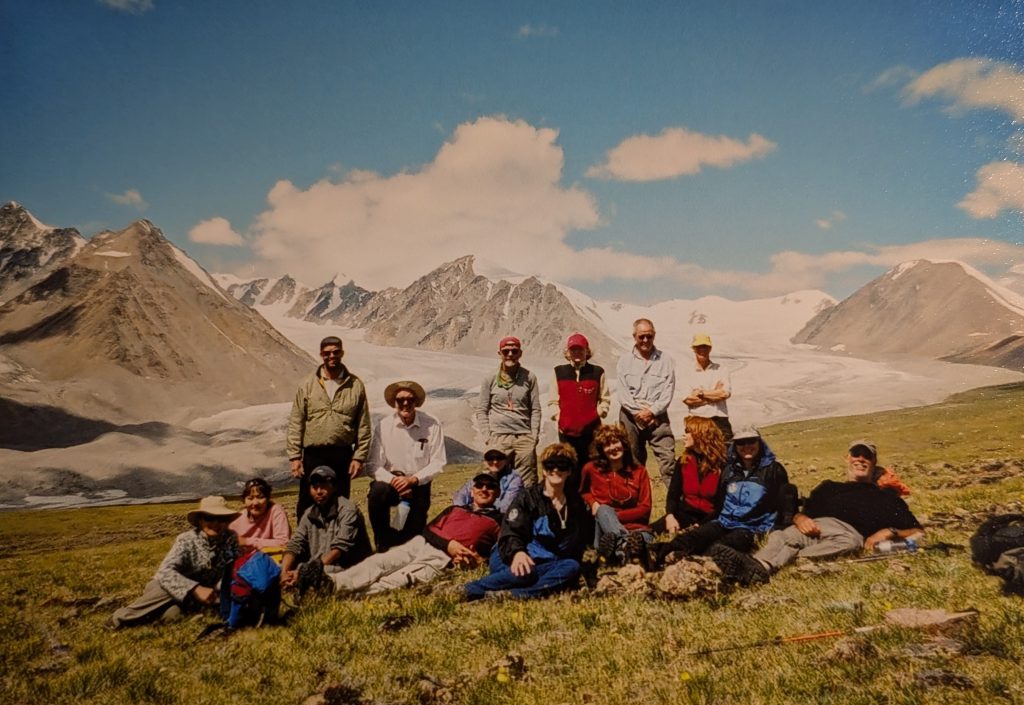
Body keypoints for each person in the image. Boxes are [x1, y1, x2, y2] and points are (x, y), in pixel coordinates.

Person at [710, 440, 924, 585]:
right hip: (814, 527)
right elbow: (803, 512)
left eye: (866, 456)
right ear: (847, 458)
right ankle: (758, 566)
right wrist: (800, 518)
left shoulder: (886, 497)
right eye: (855, 454)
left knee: (849, 542)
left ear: (874, 462)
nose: (860, 459)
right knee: (784, 536)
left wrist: (890, 531)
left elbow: (917, 532)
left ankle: (772, 564)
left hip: (847, 534)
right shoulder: (828, 486)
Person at [330, 473, 502, 595]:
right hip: (420, 544)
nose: (484, 489)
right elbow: (427, 530)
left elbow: (500, 552)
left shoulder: (498, 521)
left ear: (498, 493)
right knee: (379, 562)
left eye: (490, 487)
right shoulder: (454, 509)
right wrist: (449, 544)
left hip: (443, 559)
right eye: (479, 485)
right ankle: (331, 583)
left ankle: (346, 594)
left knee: (399, 579)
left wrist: (480, 561)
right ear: (472, 491)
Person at [653, 425, 795, 564]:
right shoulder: (729, 470)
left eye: (751, 441)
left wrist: (780, 529)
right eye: (741, 442)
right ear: (735, 445)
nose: (746, 446)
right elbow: (720, 504)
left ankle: (700, 564)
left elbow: (785, 502)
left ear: (760, 443)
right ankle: (655, 553)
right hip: (724, 522)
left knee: (720, 548)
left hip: (751, 528)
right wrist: (701, 524)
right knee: (691, 537)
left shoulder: (774, 470)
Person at [464, 443, 590, 600]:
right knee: (525, 573)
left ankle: (514, 594)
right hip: (511, 553)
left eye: (562, 465)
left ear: (570, 470)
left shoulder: (576, 504)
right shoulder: (527, 498)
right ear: (544, 470)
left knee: (571, 567)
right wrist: (518, 553)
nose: (556, 470)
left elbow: (579, 541)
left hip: (547, 561)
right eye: (550, 465)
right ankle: (468, 590)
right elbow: (510, 530)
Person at [108, 496, 239, 628]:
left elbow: (232, 569)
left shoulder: (231, 539)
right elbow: (165, 572)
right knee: (164, 592)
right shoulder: (187, 540)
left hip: (202, 595)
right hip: (167, 588)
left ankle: (155, 616)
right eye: (209, 518)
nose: (216, 523)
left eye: (221, 519)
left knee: (172, 615)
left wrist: (217, 590)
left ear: (228, 521)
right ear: (200, 520)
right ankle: (119, 618)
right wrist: (195, 589)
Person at [286, 335, 371, 520]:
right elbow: (296, 421)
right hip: (313, 454)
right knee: (307, 502)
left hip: (342, 454)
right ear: (321, 354)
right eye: (327, 353)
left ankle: (338, 537)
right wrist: (295, 456)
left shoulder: (355, 385)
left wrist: (359, 457)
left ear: (342, 353)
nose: (332, 356)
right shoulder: (307, 384)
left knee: (340, 503)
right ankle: (305, 537)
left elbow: (363, 424)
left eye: (335, 352)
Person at [365, 380, 446, 553]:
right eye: (400, 400)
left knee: (411, 540)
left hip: (419, 483)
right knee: (377, 493)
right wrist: (396, 482)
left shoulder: (432, 424)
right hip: (390, 483)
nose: (405, 403)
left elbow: (438, 461)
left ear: (416, 402)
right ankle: (382, 543)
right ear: (394, 403)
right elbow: (372, 465)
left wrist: (413, 480)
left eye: (410, 399)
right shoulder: (384, 426)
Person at [279, 466, 372, 593]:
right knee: (278, 570)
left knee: (314, 575)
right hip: (319, 566)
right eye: (315, 487)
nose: (319, 491)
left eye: (323, 486)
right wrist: (284, 572)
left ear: (334, 487)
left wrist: (307, 571)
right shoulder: (309, 513)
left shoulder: (347, 510)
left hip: (348, 567)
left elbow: (339, 549)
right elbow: (295, 544)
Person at [579, 424, 653, 565]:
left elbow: (645, 508)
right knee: (603, 509)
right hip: (605, 533)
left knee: (638, 540)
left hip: (637, 530)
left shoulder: (639, 471)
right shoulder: (590, 469)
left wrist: (613, 517)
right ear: (601, 450)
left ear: (624, 444)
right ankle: (626, 548)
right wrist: (592, 502)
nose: (613, 447)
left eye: (615, 442)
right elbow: (583, 492)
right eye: (607, 445)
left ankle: (619, 552)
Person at [616, 319, 676, 489]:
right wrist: (639, 413)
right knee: (632, 462)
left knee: (668, 461)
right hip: (630, 416)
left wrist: (651, 412)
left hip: (658, 416)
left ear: (654, 335)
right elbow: (623, 393)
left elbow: (668, 390)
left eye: (649, 336)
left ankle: (675, 502)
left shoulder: (665, 360)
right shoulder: (624, 361)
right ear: (634, 336)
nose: (645, 340)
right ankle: (637, 500)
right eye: (641, 336)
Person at [475, 336, 541, 487]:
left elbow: (535, 409)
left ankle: (525, 503)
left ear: (520, 353)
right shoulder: (490, 378)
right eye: (506, 351)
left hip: (524, 438)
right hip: (498, 438)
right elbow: (482, 409)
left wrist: (534, 436)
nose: (510, 354)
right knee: (491, 481)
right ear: (500, 353)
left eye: (514, 351)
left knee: (527, 483)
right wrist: (488, 437)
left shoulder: (529, 377)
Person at [650, 416, 726, 534]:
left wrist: (697, 526)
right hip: (685, 513)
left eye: (688, 432)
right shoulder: (684, 461)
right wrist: (670, 516)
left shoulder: (721, 465)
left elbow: (722, 506)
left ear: (700, 435)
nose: (684, 436)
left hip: (710, 518)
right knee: (651, 530)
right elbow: (673, 495)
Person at [549, 333, 610, 473]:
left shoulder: (597, 372)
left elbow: (605, 399)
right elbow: (552, 401)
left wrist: (597, 413)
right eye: (573, 349)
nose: (576, 352)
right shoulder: (558, 372)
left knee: (592, 469)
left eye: (580, 349)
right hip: (566, 433)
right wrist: (560, 418)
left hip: (592, 433)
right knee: (569, 469)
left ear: (587, 351)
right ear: (568, 352)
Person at [679, 333, 732, 442]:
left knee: (725, 450)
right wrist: (714, 393)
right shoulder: (686, 372)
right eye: (698, 347)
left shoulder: (721, 369)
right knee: (697, 451)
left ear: (710, 348)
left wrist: (701, 393)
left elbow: (724, 394)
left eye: (705, 346)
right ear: (693, 349)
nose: (702, 350)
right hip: (696, 421)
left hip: (719, 419)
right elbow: (688, 400)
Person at [452, 448, 524, 514]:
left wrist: (490, 514)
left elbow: (507, 504)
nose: (495, 462)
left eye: (499, 458)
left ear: (505, 461)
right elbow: (461, 496)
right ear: (485, 462)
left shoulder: (514, 479)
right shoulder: (479, 475)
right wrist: (462, 513)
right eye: (490, 458)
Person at [229, 478, 291, 552]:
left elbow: (283, 542)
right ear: (244, 500)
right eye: (250, 498)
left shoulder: (275, 511)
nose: (255, 503)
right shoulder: (238, 518)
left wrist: (247, 541)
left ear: (268, 499)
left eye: (260, 497)